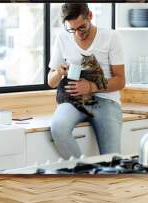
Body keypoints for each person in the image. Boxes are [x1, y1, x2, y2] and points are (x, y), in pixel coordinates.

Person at [48, 3, 125, 159]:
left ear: (90, 16)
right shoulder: (62, 37)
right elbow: (51, 81)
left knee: (112, 160)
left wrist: (91, 86)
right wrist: (58, 72)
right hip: (74, 101)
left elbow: (120, 81)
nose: (77, 33)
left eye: (81, 27)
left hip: (106, 101)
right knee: (58, 128)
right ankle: (84, 171)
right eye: (72, 29)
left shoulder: (111, 37)